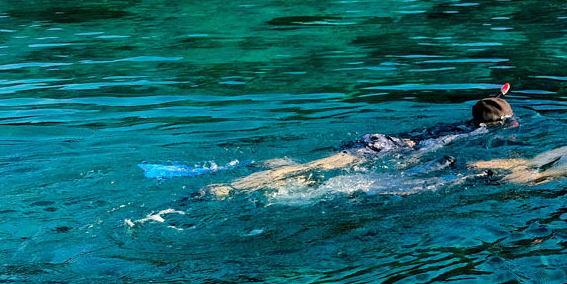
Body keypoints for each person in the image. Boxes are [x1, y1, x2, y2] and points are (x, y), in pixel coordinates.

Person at [202, 86, 519, 198]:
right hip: (387, 149)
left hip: (380, 140)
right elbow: (432, 148)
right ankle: (230, 188)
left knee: (311, 165)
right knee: (310, 168)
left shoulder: (462, 123)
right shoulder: (472, 133)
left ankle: (264, 169)